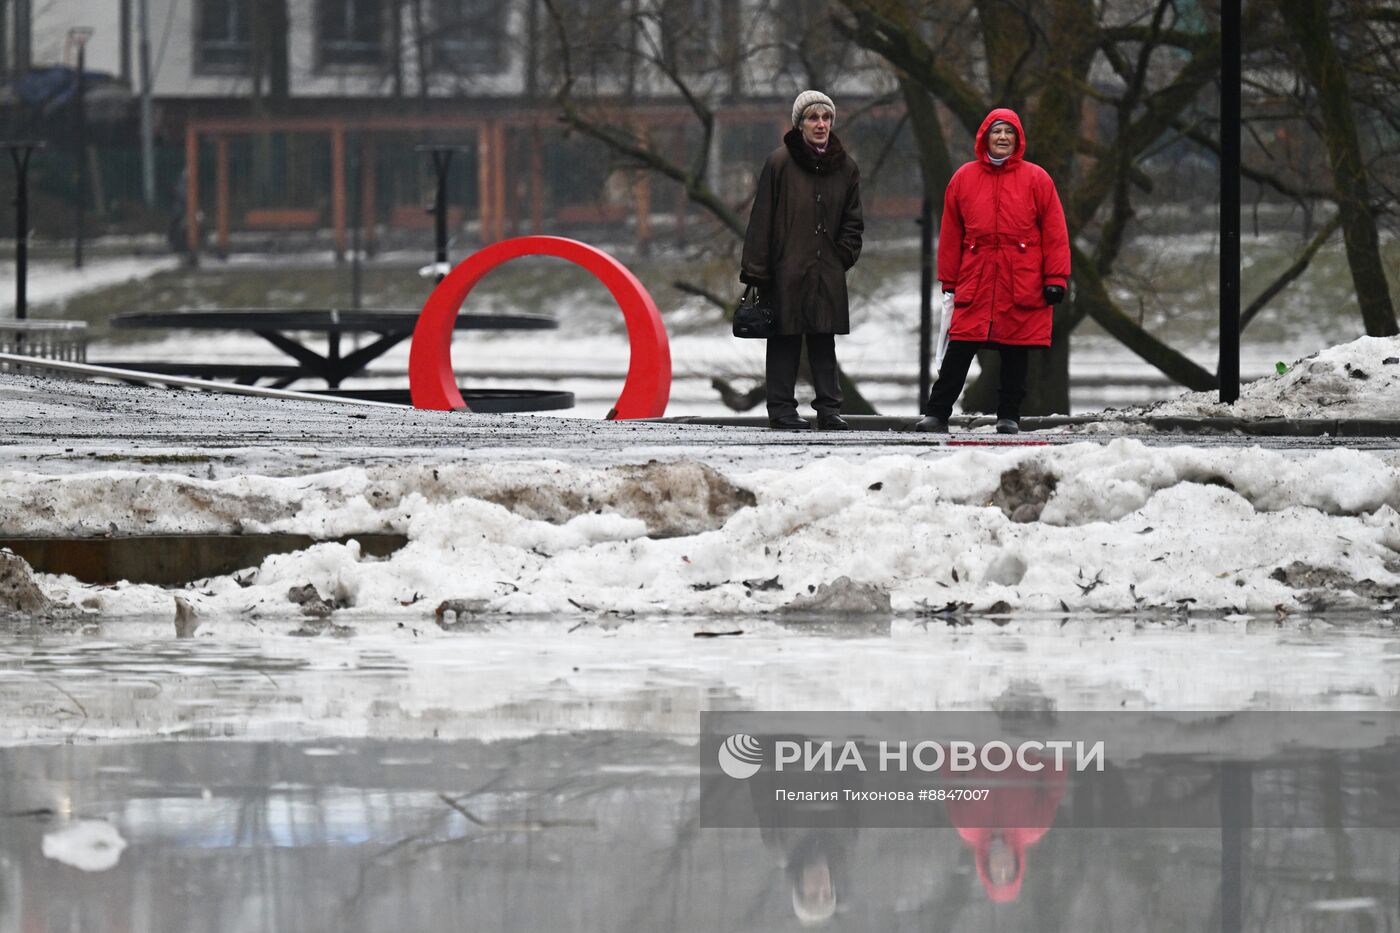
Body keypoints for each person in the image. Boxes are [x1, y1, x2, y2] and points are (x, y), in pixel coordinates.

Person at [915, 108, 1070, 435]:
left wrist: (1055, 279)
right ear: (985, 137)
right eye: (997, 132)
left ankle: (1009, 416)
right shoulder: (963, 178)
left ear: (1018, 139)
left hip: (1021, 279)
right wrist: (950, 281)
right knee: (959, 349)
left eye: (1009, 132)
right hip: (976, 278)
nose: (1002, 138)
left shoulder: (1037, 179)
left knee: (1016, 352)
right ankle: (937, 413)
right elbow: (951, 234)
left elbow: (1055, 232)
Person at [741, 90, 864, 431]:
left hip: (827, 270)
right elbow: (761, 218)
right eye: (813, 117)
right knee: (784, 340)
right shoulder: (779, 163)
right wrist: (757, 269)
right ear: (800, 124)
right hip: (786, 270)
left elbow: (854, 224)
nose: (821, 124)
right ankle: (781, 409)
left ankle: (829, 409)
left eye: (826, 118)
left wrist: (840, 258)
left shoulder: (846, 167)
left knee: (824, 341)